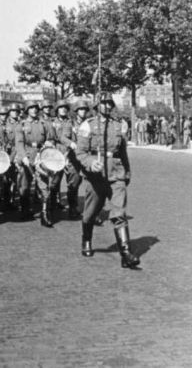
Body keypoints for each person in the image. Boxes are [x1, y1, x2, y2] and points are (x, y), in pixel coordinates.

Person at [76, 93, 140, 269]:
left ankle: (126, 253)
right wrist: (90, 163)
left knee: (119, 212)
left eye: (109, 103)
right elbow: (80, 152)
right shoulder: (87, 126)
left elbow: (123, 152)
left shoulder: (120, 125)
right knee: (90, 213)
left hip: (115, 173)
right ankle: (86, 239)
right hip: (96, 175)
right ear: (97, 105)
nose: (106, 106)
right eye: (103, 103)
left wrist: (127, 172)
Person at [57, 100, 88, 218]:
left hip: (86, 157)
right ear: (76, 111)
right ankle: (73, 208)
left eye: (85, 109)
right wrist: (71, 144)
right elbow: (63, 137)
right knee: (73, 184)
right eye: (81, 109)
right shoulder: (70, 124)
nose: (83, 112)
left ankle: (93, 211)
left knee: (91, 184)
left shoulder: (89, 124)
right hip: (74, 157)